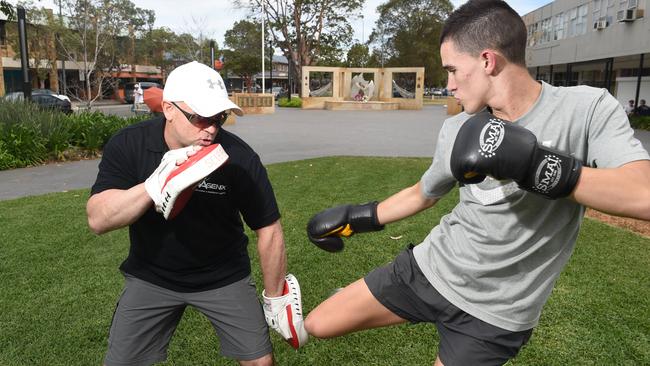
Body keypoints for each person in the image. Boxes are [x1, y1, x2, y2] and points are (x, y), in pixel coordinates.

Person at [303, 1, 650, 366]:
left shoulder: (586, 109)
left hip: (496, 313)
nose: (449, 85)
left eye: (453, 70)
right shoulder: (458, 127)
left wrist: (533, 165)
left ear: (488, 61)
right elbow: (424, 193)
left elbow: (642, 195)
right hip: (431, 267)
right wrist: (355, 219)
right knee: (318, 323)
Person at [87, 61, 306, 366]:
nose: (212, 128)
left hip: (223, 275)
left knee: (260, 363)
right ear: (168, 109)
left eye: (219, 117)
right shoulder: (130, 144)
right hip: (152, 275)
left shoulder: (239, 158)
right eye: (200, 118)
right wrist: (154, 185)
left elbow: (269, 229)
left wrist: (275, 298)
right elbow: (97, 219)